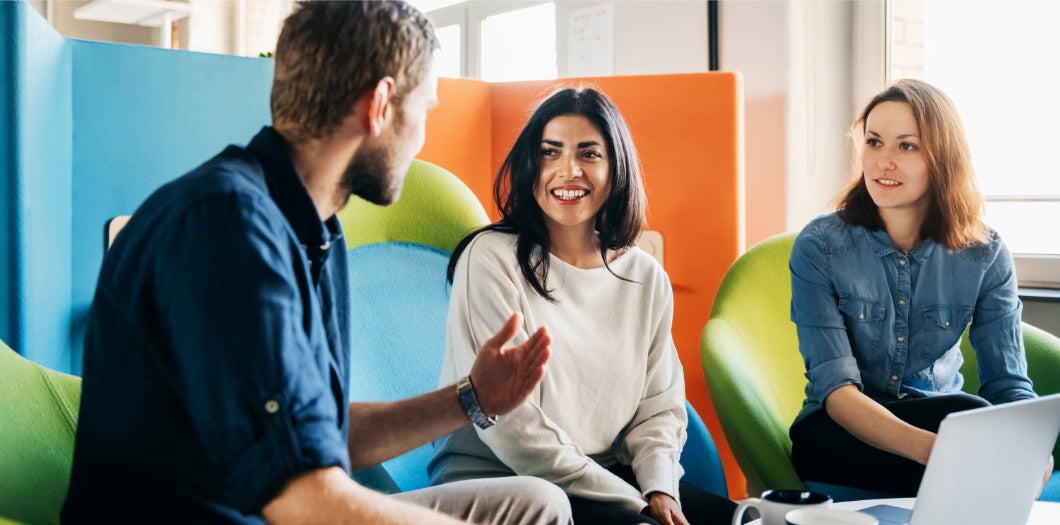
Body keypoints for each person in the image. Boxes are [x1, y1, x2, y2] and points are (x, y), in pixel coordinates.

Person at [62, 2, 573, 524]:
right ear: (380, 105)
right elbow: (305, 502)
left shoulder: (312, 232)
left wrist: (471, 398)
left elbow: (317, 437)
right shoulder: (227, 228)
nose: (422, 136)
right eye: (424, 111)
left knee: (535, 505)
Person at [427, 87, 739, 525]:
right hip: (504, 483)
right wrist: (631, 500)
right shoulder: (490, 258)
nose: (567, 170)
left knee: (746, 519)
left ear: (616, 169)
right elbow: (512, 428)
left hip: (602, 475)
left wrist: (660, 489)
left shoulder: (643, 276)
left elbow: (660, 407)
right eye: (549, 153)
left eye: (588, 154)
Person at [788, 78, 1048, 497]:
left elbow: (1008, 385)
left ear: (943, 158)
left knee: (970, 415)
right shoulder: (820, 247)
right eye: (873, 142)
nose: (882, 162)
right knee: (969, 429)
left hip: (942, 418)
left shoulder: (985, 253)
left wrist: (1034, 449)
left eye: (906, 146)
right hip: (842, 431)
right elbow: (836, 392)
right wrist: (940, 452)